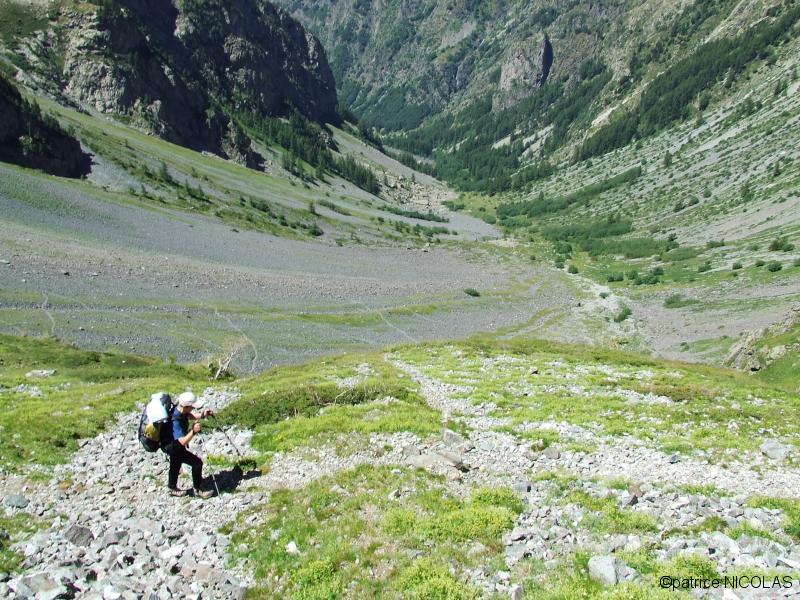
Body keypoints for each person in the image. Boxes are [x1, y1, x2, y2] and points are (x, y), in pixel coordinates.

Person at [162, 391, 215, 498]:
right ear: (186, 406)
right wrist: (194, 431)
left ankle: (172, 488)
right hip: (174, 446)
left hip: (168, 444)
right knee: (197, 463)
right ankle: (198, 490)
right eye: (192, 406)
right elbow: (182, 441)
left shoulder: (179, 409)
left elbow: (188, 416)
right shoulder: (175, 420)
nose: (193, 408)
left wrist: (203, 415)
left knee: (175, 463)